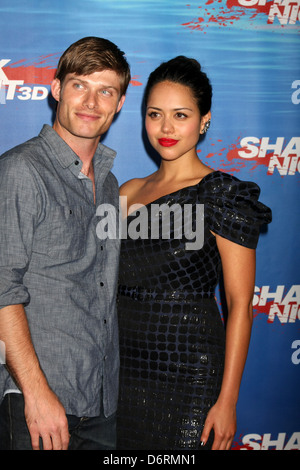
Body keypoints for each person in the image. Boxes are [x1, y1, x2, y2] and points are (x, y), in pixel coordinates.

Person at [116, 56, 272, 450]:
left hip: (190, 371)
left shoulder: (222, 195)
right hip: (122, 370)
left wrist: (227, 400)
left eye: (180, 115)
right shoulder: (126, 192)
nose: (166, 128)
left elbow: (239, 304)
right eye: (155, 114)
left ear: (204, 120)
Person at [0, 36, 130, 450]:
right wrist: (36, 395)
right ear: (56, 89)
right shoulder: (22, 170)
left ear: (120, 103)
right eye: (79, 85)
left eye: (105, 90)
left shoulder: (109, 185)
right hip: (37, 404)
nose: (91, 102)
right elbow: (2, 290)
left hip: (100, 402)